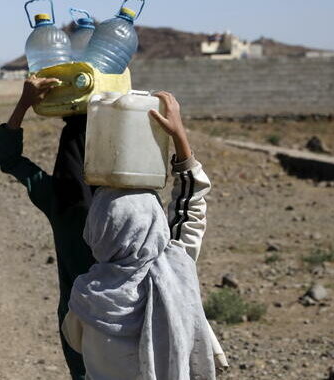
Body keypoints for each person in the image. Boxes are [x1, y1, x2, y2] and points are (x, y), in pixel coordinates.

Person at [61, 92, 218, 379]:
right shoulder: (174, 270)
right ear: (156, 225)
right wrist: (180, 139)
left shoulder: (85, 297)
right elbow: (190, 210)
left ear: (95, 231)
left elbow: (74, 340)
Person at [0, 76, 96, 380]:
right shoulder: (125, 202)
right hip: (129, 321)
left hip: (76, 320)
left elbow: (8, 158)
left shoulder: (57, 198)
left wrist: (24, 104)